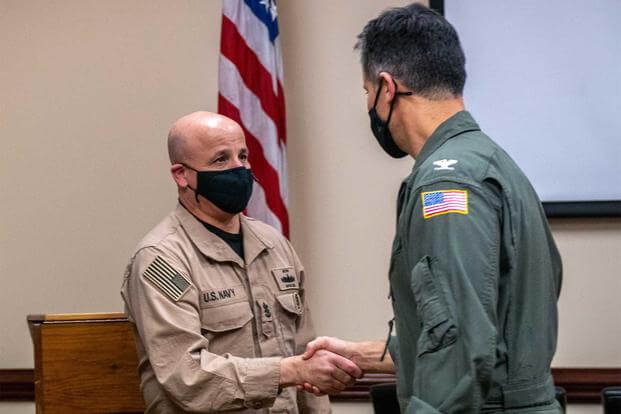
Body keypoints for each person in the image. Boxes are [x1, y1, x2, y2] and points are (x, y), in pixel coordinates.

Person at [301, 4, 563, 413]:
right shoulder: (491, 162)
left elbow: (461, 345)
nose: (369, 104)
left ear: (387, 88)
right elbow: (487, 324)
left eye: (367, 92)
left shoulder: (446, 184)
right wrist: (364, 354)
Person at [121, 111, 361, 413]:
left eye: (243, 156)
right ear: (181, 175)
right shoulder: (161, 259)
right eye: (221, 159)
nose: (239, 169)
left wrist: (305, 379)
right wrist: (289, 371)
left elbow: (305, 356)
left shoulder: (273, 244)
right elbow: (187, 377)